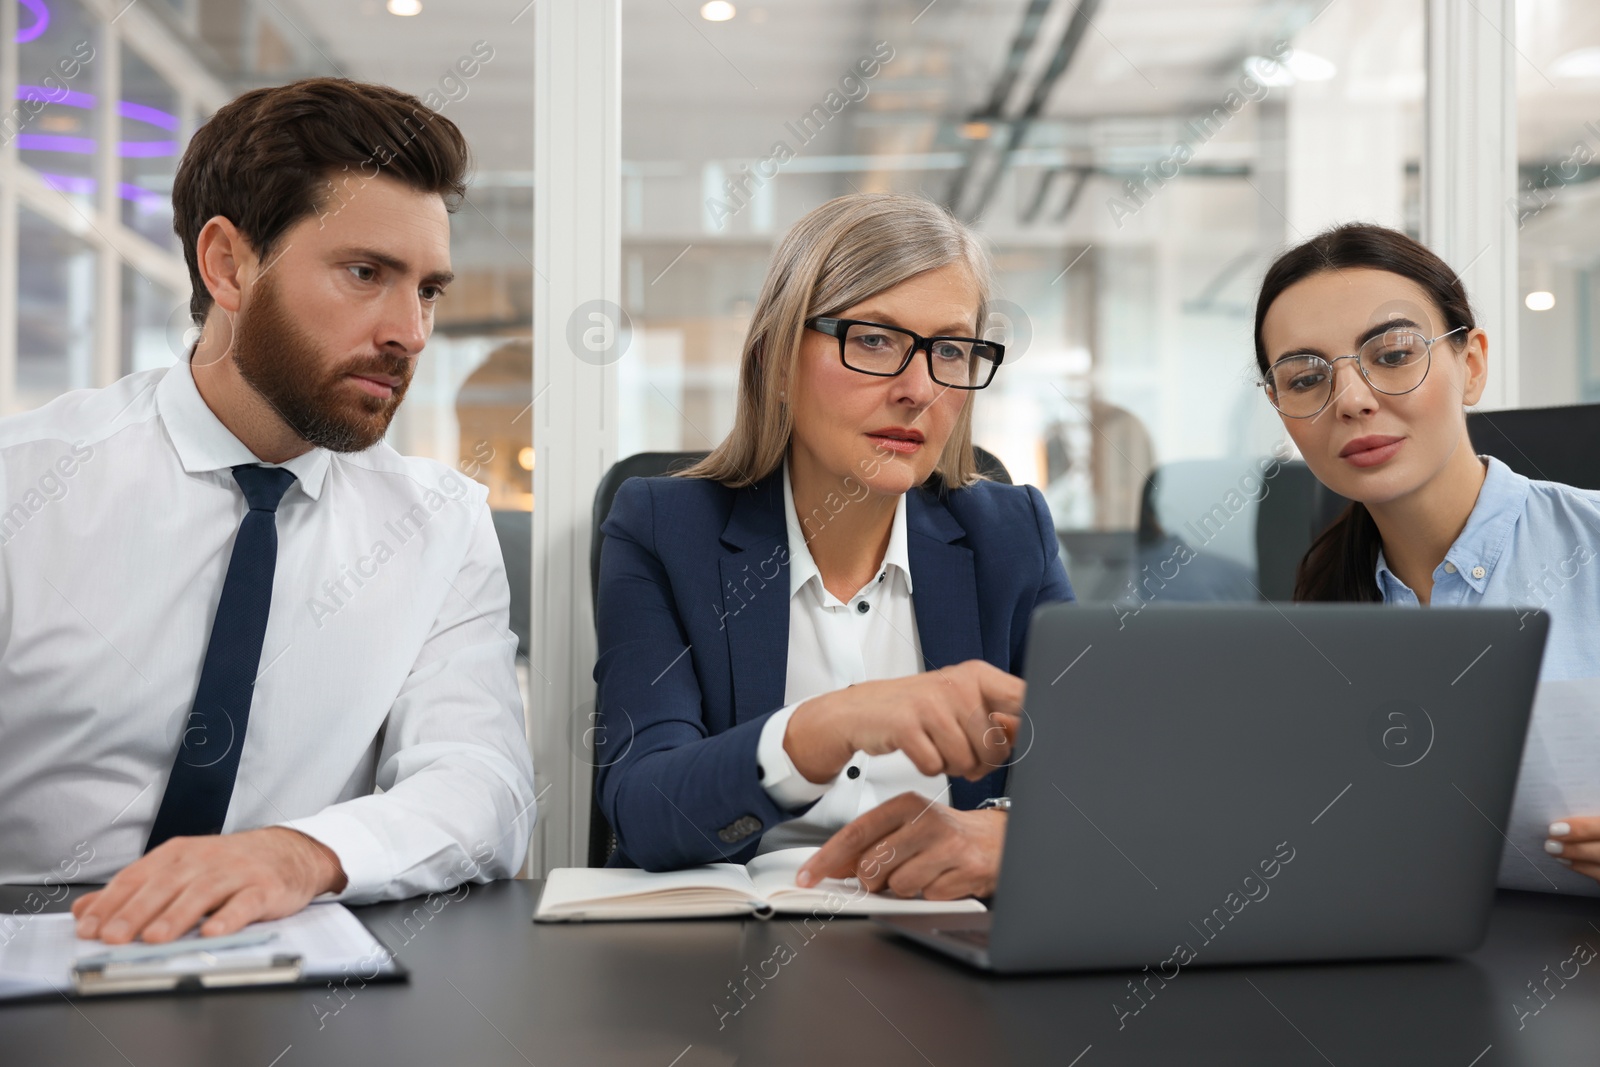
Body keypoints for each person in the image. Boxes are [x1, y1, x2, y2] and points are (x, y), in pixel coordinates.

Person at [0, 78, 536, 943]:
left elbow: (485, 785)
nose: (411, 331)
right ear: (229, 266)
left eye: (428, 290)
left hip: (286, 969)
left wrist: (299, 853)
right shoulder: (22, 488)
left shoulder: (438, 525)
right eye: (366, 273)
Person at [593, 193, 1073, 900]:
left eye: (949, 349)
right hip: (728, 964)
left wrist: (1006, 832)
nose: (916, 390)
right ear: (779, 360)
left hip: (946, 955)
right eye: (874, 338)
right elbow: (642, 811)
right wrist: (819, 729)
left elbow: (1102, 782)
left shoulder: (1011, 535)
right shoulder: (665, 527)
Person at [1254, 222, 1600, 889]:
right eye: (1304, 378)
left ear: (1470, 365)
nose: (1351, 400)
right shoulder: (1316, 616)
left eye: (1391, 355)